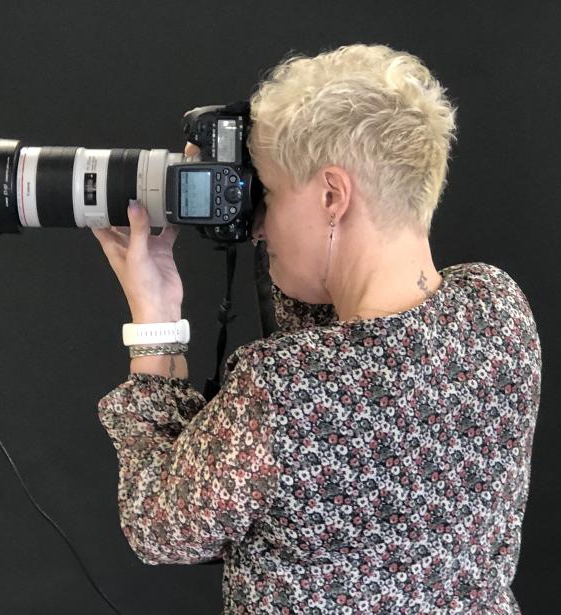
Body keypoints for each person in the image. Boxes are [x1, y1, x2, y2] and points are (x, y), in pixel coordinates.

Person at [91, 44, 542, 614]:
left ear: (332, 194)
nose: (258, 227)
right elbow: (350, 344)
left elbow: (157, 526)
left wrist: (155, 320)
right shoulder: (498, 308)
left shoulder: (285, 389)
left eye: (269, 196)